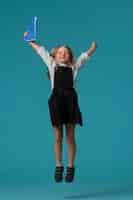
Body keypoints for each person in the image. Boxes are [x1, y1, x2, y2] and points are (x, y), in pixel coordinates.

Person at [24, 33, 97, 182]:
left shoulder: (73, 67)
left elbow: (83, 57)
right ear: (55, 56)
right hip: (56, 102)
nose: (63, 53)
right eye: (60, 52)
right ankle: (58, 165)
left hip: (70, 103)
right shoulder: (52, 65)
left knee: (70, 136)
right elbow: (41, 51)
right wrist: (30, 40)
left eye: (66, 52)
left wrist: (92, 48)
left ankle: (70, 166)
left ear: (70, 56)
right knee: (58, 137)